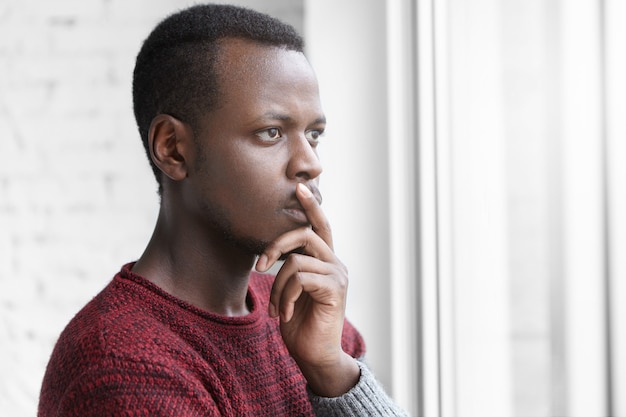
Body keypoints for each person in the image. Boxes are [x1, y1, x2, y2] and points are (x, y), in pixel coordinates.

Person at [38, 4, 408, 416]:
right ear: (173, 148)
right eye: (271, 132)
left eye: (313, 134)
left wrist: (333, 371)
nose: (310, 163)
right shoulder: (124, 366)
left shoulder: (304, 311)